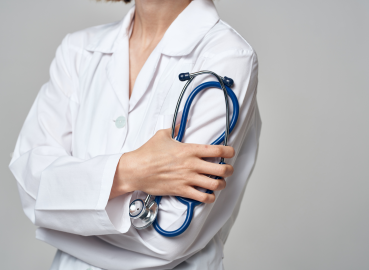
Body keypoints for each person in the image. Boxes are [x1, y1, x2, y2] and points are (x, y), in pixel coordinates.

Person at [9, 0, 261, 269]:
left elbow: (170, 236)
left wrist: (67, 213)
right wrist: (130, 171)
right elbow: (31, 189)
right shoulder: (78, 50)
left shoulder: (227, 56)